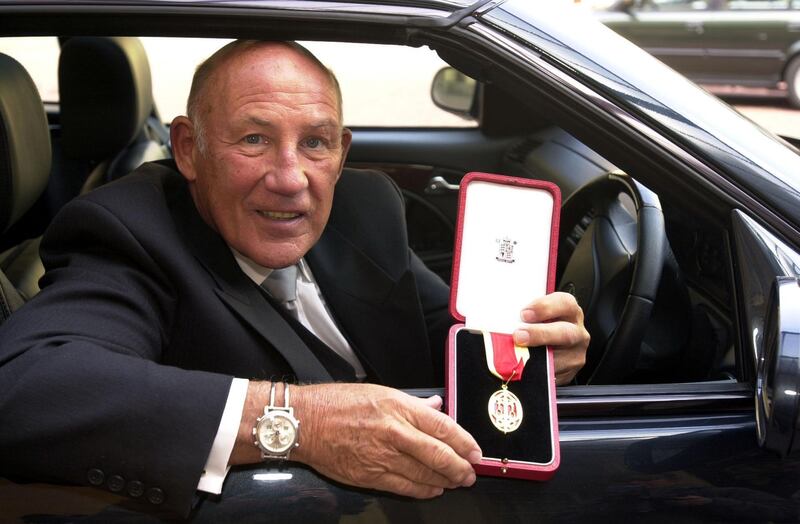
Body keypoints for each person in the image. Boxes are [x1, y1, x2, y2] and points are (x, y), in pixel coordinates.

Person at [0, 40, 588, 517]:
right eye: (254, 139)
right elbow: (24, 388)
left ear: (342, 151)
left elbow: (445, 336)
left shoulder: (365, 208)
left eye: (315, 143)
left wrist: (525, 351)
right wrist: (299, 422)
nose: (291, 178)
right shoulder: (128, 232)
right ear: (187, 149)